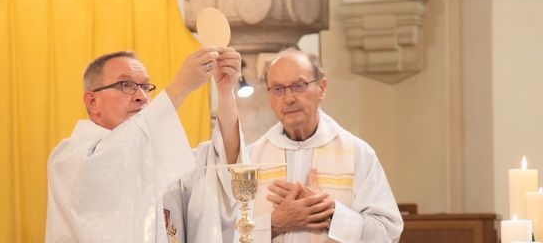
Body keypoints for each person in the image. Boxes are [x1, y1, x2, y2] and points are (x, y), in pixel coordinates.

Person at [45, 47, 242, 242]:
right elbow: (111, 165)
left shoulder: (159, 158)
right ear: (92, 101)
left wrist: (225, 92)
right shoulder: (70, 159)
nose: (142, 96)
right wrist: (181, 86)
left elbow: (221, 167)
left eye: (145, 87)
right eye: (125, 85)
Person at [246, 48, 403, 243]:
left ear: (322, 88)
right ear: (269, 97)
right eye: (278, 89)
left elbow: (387, 234)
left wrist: (329, 212)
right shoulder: (250, 159)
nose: (289, 99)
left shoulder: (357, 154)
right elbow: (226, 233)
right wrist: (275, 223)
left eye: (299, 86)